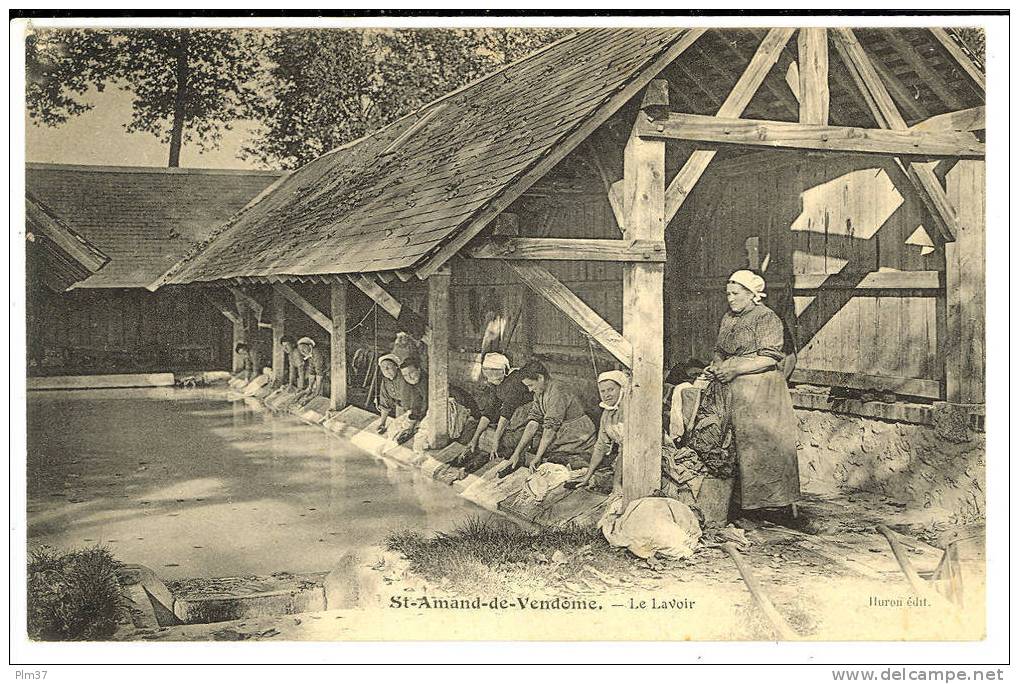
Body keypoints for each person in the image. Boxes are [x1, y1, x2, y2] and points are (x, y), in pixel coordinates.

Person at [705, 270, 800, 520]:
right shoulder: (728, 318)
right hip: (734, 386)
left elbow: (769, 358)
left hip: (762, 389)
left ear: (752, 294)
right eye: (728, 294)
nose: (730, 298)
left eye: (736, 294)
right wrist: (718, 366)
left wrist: (735, 369)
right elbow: (719, 350)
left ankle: (774, 505)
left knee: (762, 445)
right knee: (734, 444)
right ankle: (739, 502)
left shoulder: (766, 318)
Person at [499, 359, 597, 477]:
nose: (530, 390)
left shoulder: (558, 390)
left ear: (540, 378)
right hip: (563, 436)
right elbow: (533, 422)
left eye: (531, 385)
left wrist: (537, 457)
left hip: (578, 437)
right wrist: (516, 454)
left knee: (557, 464)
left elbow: (550, 428)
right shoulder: (539, 393)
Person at [456, 352, 533, 474]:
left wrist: (496, 440)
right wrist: (475, 439)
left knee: (511, 441)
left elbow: (507, 412)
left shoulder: (514, 382)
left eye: (496, 376)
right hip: (512, 414)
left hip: (526, 413)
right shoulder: (495, 383)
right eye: (489, 375)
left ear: (504, 371)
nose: (492, 379)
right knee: (472, 428)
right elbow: (490, 410)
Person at [566, 370, 629, 492]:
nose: (606, 395)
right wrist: (587, 477)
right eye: (602, 391)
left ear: (621, 389)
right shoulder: (607, 413)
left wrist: (617, 483)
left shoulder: (629, 410)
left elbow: (627, 449)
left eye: (611, 390)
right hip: (623, 459)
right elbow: (601, 446)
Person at [374, 353, 408, 435]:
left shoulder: (405, 376)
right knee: (398, 431)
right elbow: (385, 402)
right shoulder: (386, 381)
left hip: (414, 409)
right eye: (383, 368)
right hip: (400, 408)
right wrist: (382, 423)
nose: (386, 370)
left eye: (388, 367)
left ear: (396, 366)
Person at [295, 336, 329, 403]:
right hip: (322, 375)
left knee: (321, 394)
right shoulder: (310, 355)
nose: (302, 352)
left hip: (329, 374)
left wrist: (316, 392)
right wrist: (309, 388)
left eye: (304, 348)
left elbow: (319, 373)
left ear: (310, 346)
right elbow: (312, 372)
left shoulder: (316, 353)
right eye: (300, 350)